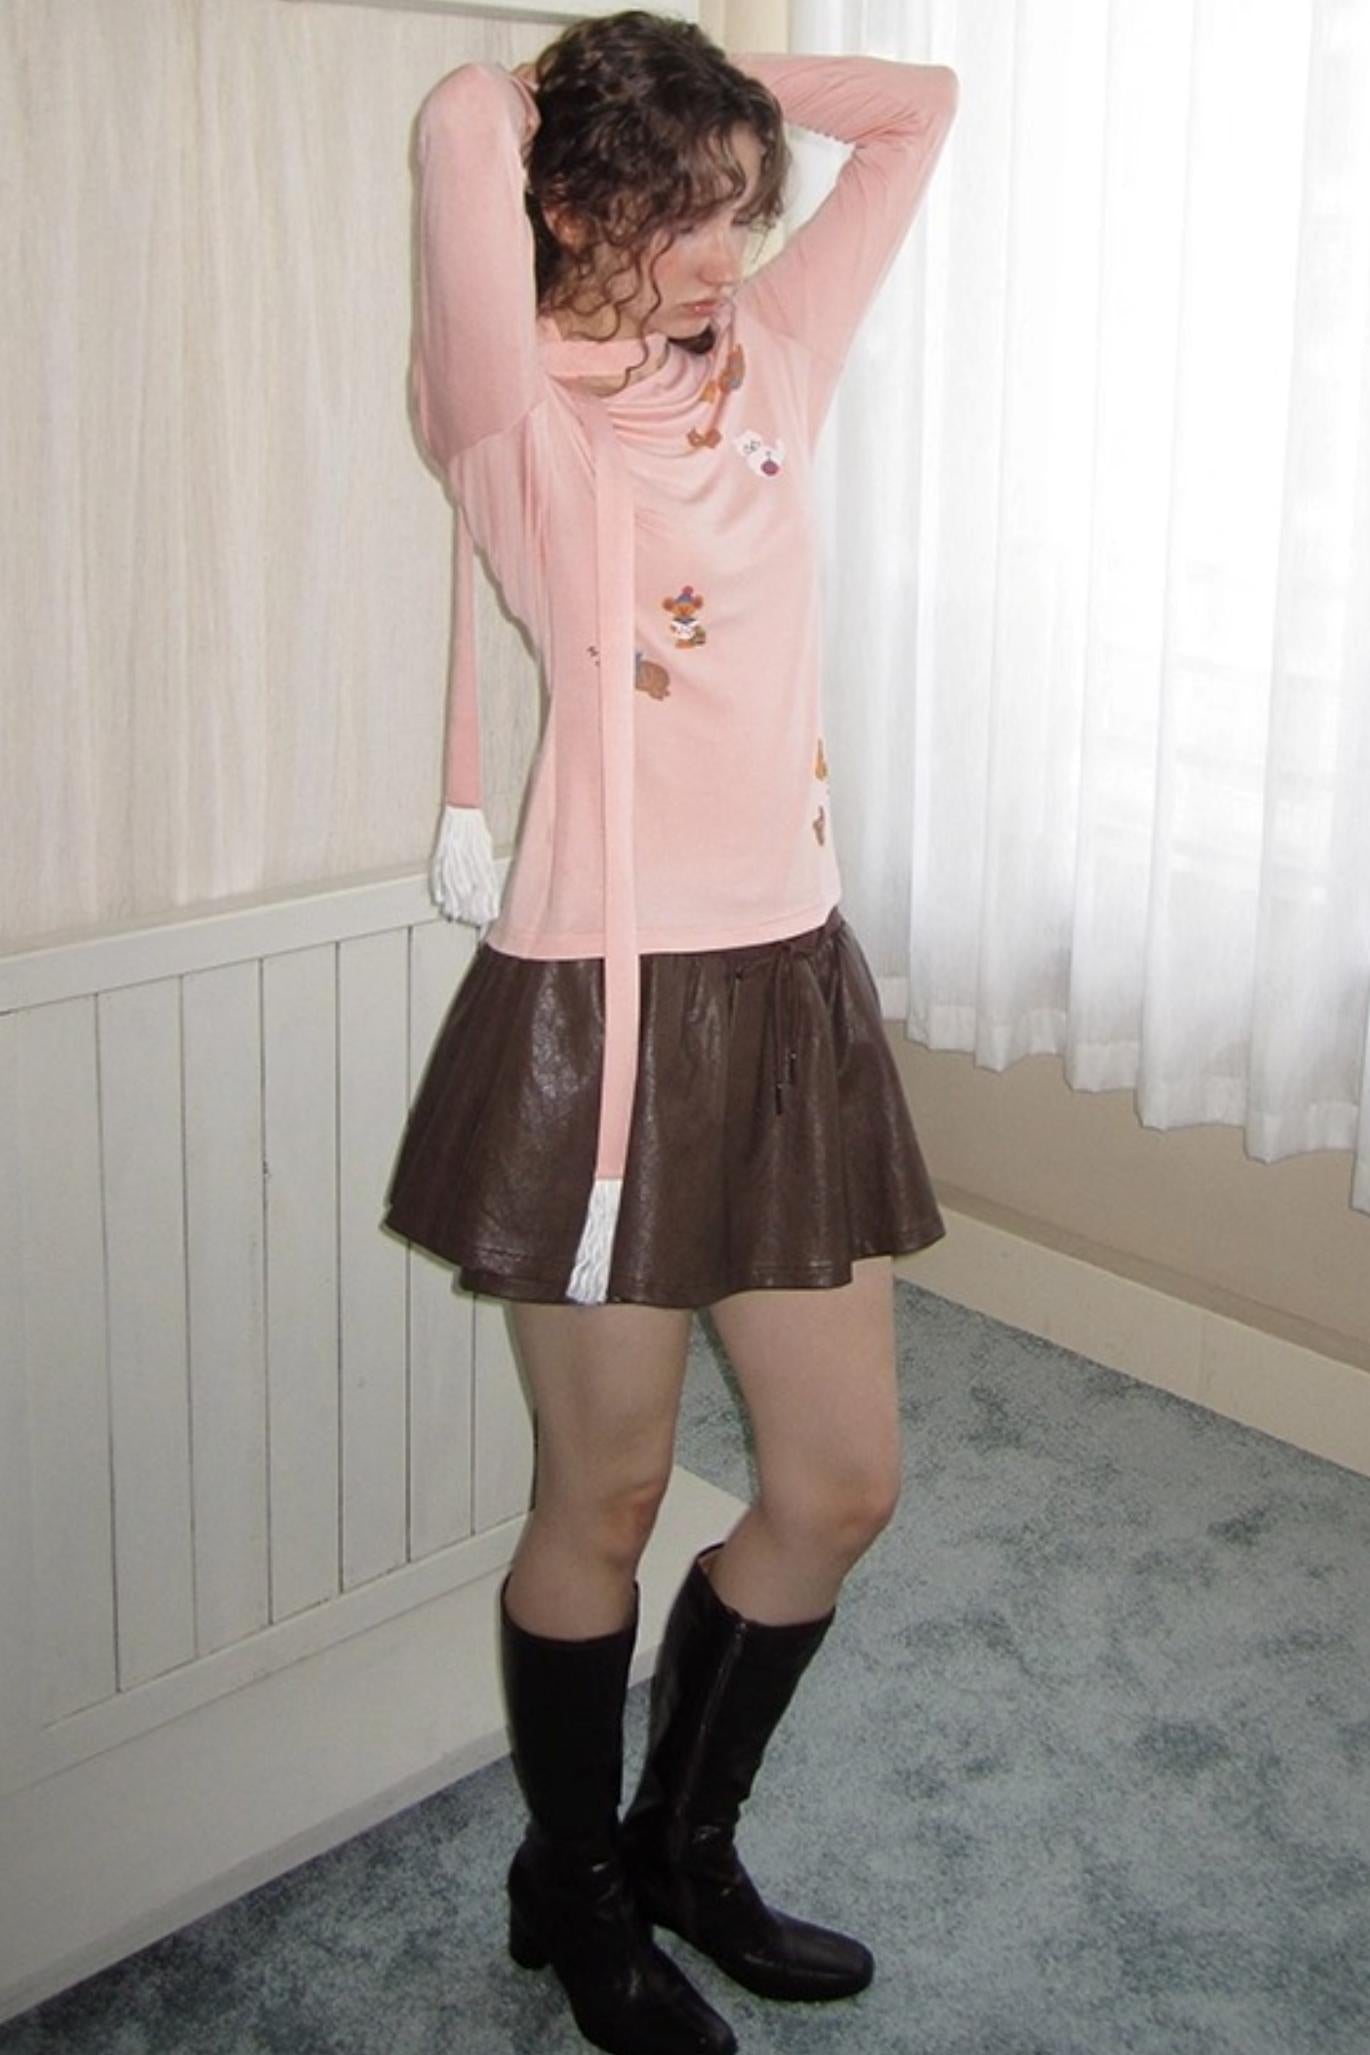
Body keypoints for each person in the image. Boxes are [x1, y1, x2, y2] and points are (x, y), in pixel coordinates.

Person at [384, 12, 958, 2053]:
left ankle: (682, 1842)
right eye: (678, 216)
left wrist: (717, 102)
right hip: (599, 1015)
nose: (723, 258)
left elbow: (921, 111)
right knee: (610, 1495)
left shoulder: (772, 360)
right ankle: (575, 1882)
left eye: (739, 213)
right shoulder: (504, 415)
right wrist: (565, 95)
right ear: (571, 208)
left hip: (784, 990)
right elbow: (460, 120)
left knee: (839, 1480)